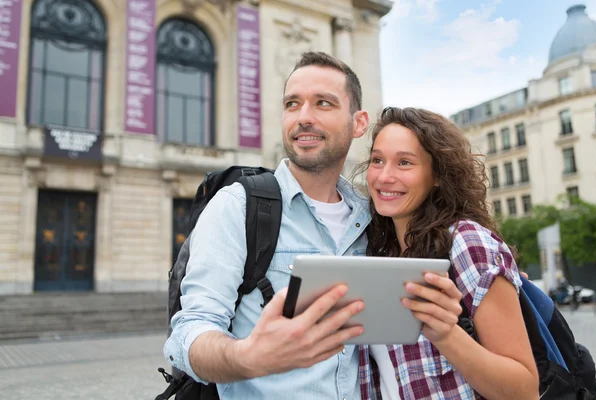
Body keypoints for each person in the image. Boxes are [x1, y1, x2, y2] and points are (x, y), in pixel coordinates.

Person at [164, 51, 372, 399]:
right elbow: (190, 330)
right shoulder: (238, 205)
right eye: (292, 103)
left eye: (323, 103)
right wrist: (247, 358)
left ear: (359, 122)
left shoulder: (373, 220)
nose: (303, 117)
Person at [357, 106, 539, 400]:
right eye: (377, 160)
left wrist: (445, 334)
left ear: (438, 175)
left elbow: (524, 391)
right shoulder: (375, 250)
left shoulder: (467, 242)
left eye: (404, 162)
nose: (384, 176)